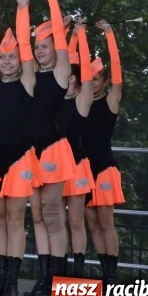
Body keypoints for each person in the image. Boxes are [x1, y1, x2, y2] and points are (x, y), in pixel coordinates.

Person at [0, 0, 41, 296]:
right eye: (2, 57)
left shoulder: (28, 80)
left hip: (19, 157)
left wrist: (21, 8)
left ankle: (13, 284)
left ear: (20, 60)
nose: (5, 60)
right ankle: (1, 282)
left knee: (16, 219)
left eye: (11, 56)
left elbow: (27, 47)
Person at [23, 0, 76, 296]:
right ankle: (44, 278)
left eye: (46, 46)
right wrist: (24, 5)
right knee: (37, 214)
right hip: (31, 152)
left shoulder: (60, 72)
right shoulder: (30, 74)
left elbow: (59, 38)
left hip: (54, 149)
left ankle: (60, 279)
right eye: (37, 46)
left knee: (54, 213)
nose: (41, 50)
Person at [82, 20, 125, 286]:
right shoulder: (83, 102)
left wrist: (110, 36)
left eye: (97, 78)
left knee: (106, 223)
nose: (93, 82)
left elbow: (118, 74)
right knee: (93, 225)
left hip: (105, 168)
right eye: (91, 78)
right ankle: (104, 272)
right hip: (85, 170)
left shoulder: (110, 101)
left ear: (106, 81)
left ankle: (113, 275)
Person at [59, 22, 95, 277]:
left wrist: (80, 35)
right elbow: (61, 58)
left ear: (72, 78)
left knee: (75, 221)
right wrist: (66, 35)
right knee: (58, 221)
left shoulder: (82, 100)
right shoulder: (53, 100)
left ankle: (78, 273)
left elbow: (87, 76)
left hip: (77, 165)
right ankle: (56, 270)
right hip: (55, 166)